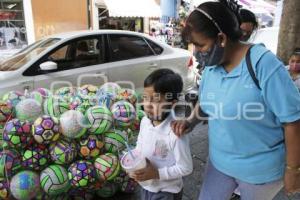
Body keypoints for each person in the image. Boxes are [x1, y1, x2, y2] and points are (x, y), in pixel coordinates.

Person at [172, 0, 300, 200]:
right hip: (219, 162)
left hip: (259, 172)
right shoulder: (212, 66)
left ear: (221, 38)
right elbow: (206, 103)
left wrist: (293, 170)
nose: (196, 52)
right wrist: (189, 121)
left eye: (200, 45)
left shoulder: (263, 64)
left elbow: (292, 121)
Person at [130, 69, 193, 200]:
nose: (148, 105)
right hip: (147, 186)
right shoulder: (145, 121)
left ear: (172, 103)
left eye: (156, 101)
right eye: (146, 98)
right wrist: (133, 162)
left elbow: (186, 168)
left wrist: (157, 173)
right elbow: (139, 146)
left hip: (167, 192)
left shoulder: (175, 133)